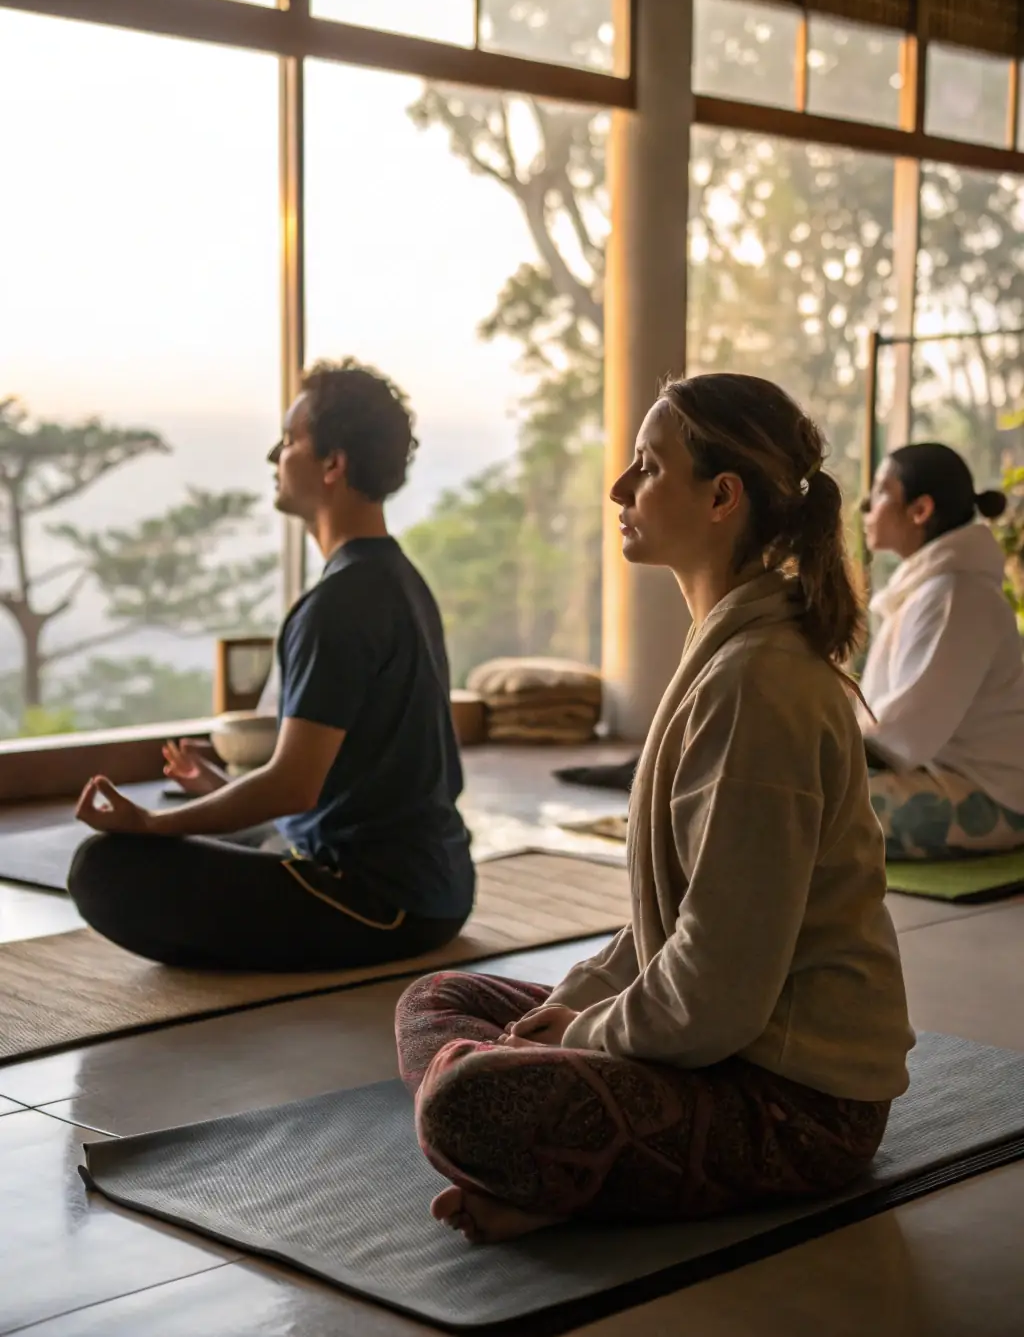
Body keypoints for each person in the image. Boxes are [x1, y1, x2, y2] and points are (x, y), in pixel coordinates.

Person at [395, 373, 914, 1244]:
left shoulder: (759, 681)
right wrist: (563, 1015)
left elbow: (716, 991)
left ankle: (538, 1158)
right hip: (723, 1051)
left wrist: (577, 1039)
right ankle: (548, 1155)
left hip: (797, 1103)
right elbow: (665, 932)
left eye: (646, 466)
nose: (619, 489)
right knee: (438, 996)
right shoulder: (726, 653)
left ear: (721, 496)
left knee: (464, 1100)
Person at [67, 358, 474, 971]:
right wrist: (221, 793)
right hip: (441, 890)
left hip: (377, 899)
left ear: (333, 465)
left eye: (289, 442)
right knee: (227, 832)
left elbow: (291, 784)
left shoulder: (338, 603)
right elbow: (354, 778)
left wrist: (155, 825)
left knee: (103, 869)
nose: (274, 457)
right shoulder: (399, 579)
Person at [859, 442, 1024, 860]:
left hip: (989, 797)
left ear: (920, 511)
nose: (866, 504)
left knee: (802, 803)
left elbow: (901, 735)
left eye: (880, 493)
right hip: (942, 778)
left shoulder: (955, 596)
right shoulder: (938, 589)